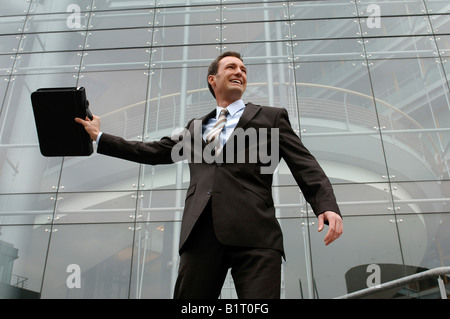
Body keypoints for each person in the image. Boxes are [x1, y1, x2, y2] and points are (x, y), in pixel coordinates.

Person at [75, 51, 343, 299]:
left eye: (243, 69)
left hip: (256, 234)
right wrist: (100, 137)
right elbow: (152, 151)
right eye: (231, 67)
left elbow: (304, 162)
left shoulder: (271, 118)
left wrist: (326, 205)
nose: (240, 72)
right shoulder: (194, 128)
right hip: (200, 234)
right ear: (212, 79)